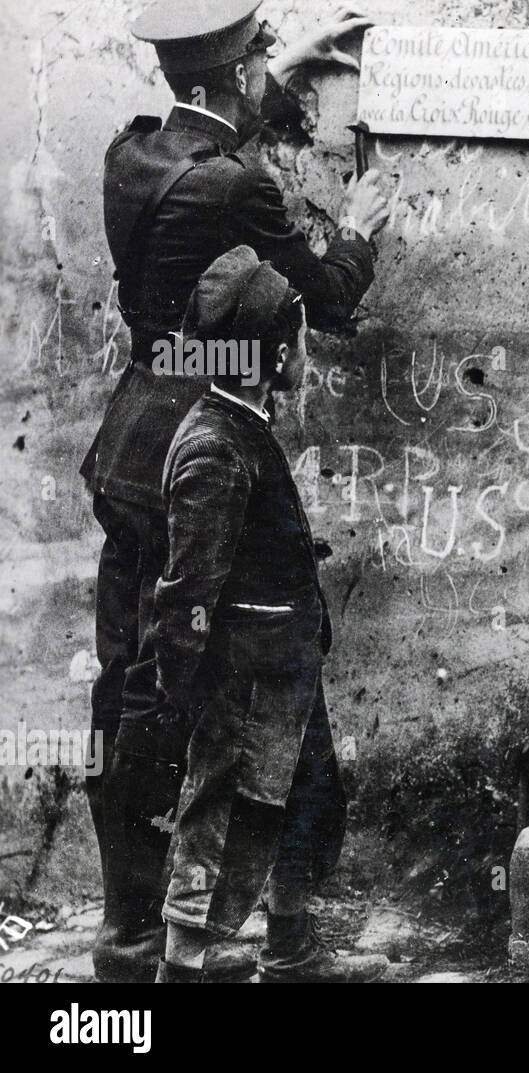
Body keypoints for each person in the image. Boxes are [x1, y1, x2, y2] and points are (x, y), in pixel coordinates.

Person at [82, 0, 389, 982]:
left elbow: (215, 131)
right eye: (258, 52)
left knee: (132, 689)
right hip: (213, 446)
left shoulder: (132, 157)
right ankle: (283, 934)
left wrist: (281, 60)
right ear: (222, 78)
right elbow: (328, 294)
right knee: (275, 669)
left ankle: (126, 932)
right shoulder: (238, 190)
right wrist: (361, 231)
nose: (271, 66)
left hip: (130, 444)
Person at [144, 247, 387, 983]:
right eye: (305, 338)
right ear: (277, 352)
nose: (309, 354)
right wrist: (192, 699)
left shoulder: (240, 421)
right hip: (247, 686)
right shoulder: (216, 448)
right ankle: (179, 973)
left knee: (308, 799)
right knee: (221, 824)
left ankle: (290, 946)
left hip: (286, 671)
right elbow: (188, 594)